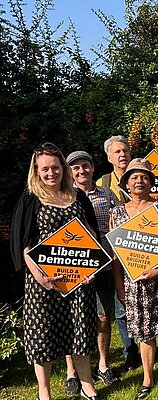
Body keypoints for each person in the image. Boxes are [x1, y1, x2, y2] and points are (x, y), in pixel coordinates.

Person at [11, 143, 101, 400]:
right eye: (45, 169)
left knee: (81, 332)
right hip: (43, 282)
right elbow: (24, 244)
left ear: (63, 167)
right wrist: (39, 276)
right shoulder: (31, 198)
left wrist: (92, 267)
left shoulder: (77, 196)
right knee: (44, 336)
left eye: (56, 167)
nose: (52, 173)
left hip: (78, 280)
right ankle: (44, 392)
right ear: (36, 171)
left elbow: (91, 235)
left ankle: (87, 386)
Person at [110, 158, 158, 399]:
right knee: (144, 333)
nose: (139, 181)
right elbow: (116, 254)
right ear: (126, 183)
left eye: (144, 177)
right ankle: (147, 378)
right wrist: (119, 285)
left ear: (151, 182)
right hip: (133, 284)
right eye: (134, 177)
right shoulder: (117, 212)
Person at [65, 151, 120, 391]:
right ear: (70, 173)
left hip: (104, 265)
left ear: (92, 167)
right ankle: (71, 372)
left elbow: (120, 224)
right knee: (71, 320)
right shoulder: (64, 197)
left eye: (85, 166)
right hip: (73, 269)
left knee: (103, 317)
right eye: (75, 168)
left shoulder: (108, 195)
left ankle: (103, 365)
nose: (81, 171)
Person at [96, 135, 140, 371]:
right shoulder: (103, 183)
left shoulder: (140, 173)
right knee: (121, 305)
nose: (122, 155)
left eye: (125, 150)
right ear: (109, 157)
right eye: (117, 152)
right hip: (115, 254)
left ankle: (148, 345)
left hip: (141, 250)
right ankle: (129, 351)